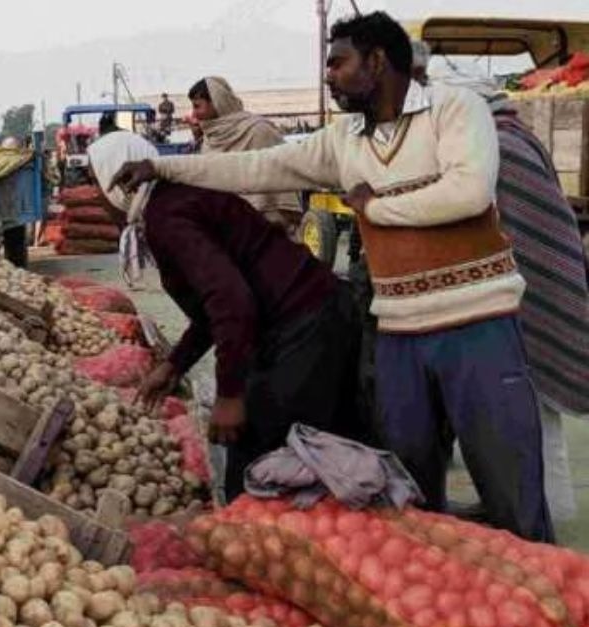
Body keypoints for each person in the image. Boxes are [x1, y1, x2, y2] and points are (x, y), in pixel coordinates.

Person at [109, 11, 553, 542]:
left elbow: (469, 191)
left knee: (510, 484)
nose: (328, 75)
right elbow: (257, 167)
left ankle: (554, 608)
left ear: (378, 61)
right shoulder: (345, 139)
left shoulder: (455, 109)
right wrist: (164, 167)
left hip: (476, 325)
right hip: (399, 335)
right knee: (411, 494)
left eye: (338, 63)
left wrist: (374, 208)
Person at [89, 131, 364, 501]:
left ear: (118, 181)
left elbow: (231, 302)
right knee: (313, 455)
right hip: (313, 315)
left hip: (304, 324)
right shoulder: (172, 201)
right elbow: (213, 308)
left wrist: (230, 395)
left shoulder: (166, 216)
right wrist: (175, 365)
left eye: (96, 182)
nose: (96, 196)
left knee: (261, 464)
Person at [459, 76, 589, 524]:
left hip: (531, 293)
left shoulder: (501, 146)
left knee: (534, 416)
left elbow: (523, 227)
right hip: (523, 288)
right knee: (520, 415)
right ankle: (529, 506)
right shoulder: (510, 135)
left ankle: (546, 512)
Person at [188, 77, 303, 233]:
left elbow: (283, 182)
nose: (193, 114)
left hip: (265, 231)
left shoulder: (259, 131)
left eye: (197, 106)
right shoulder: (209, 140)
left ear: (217, 103)